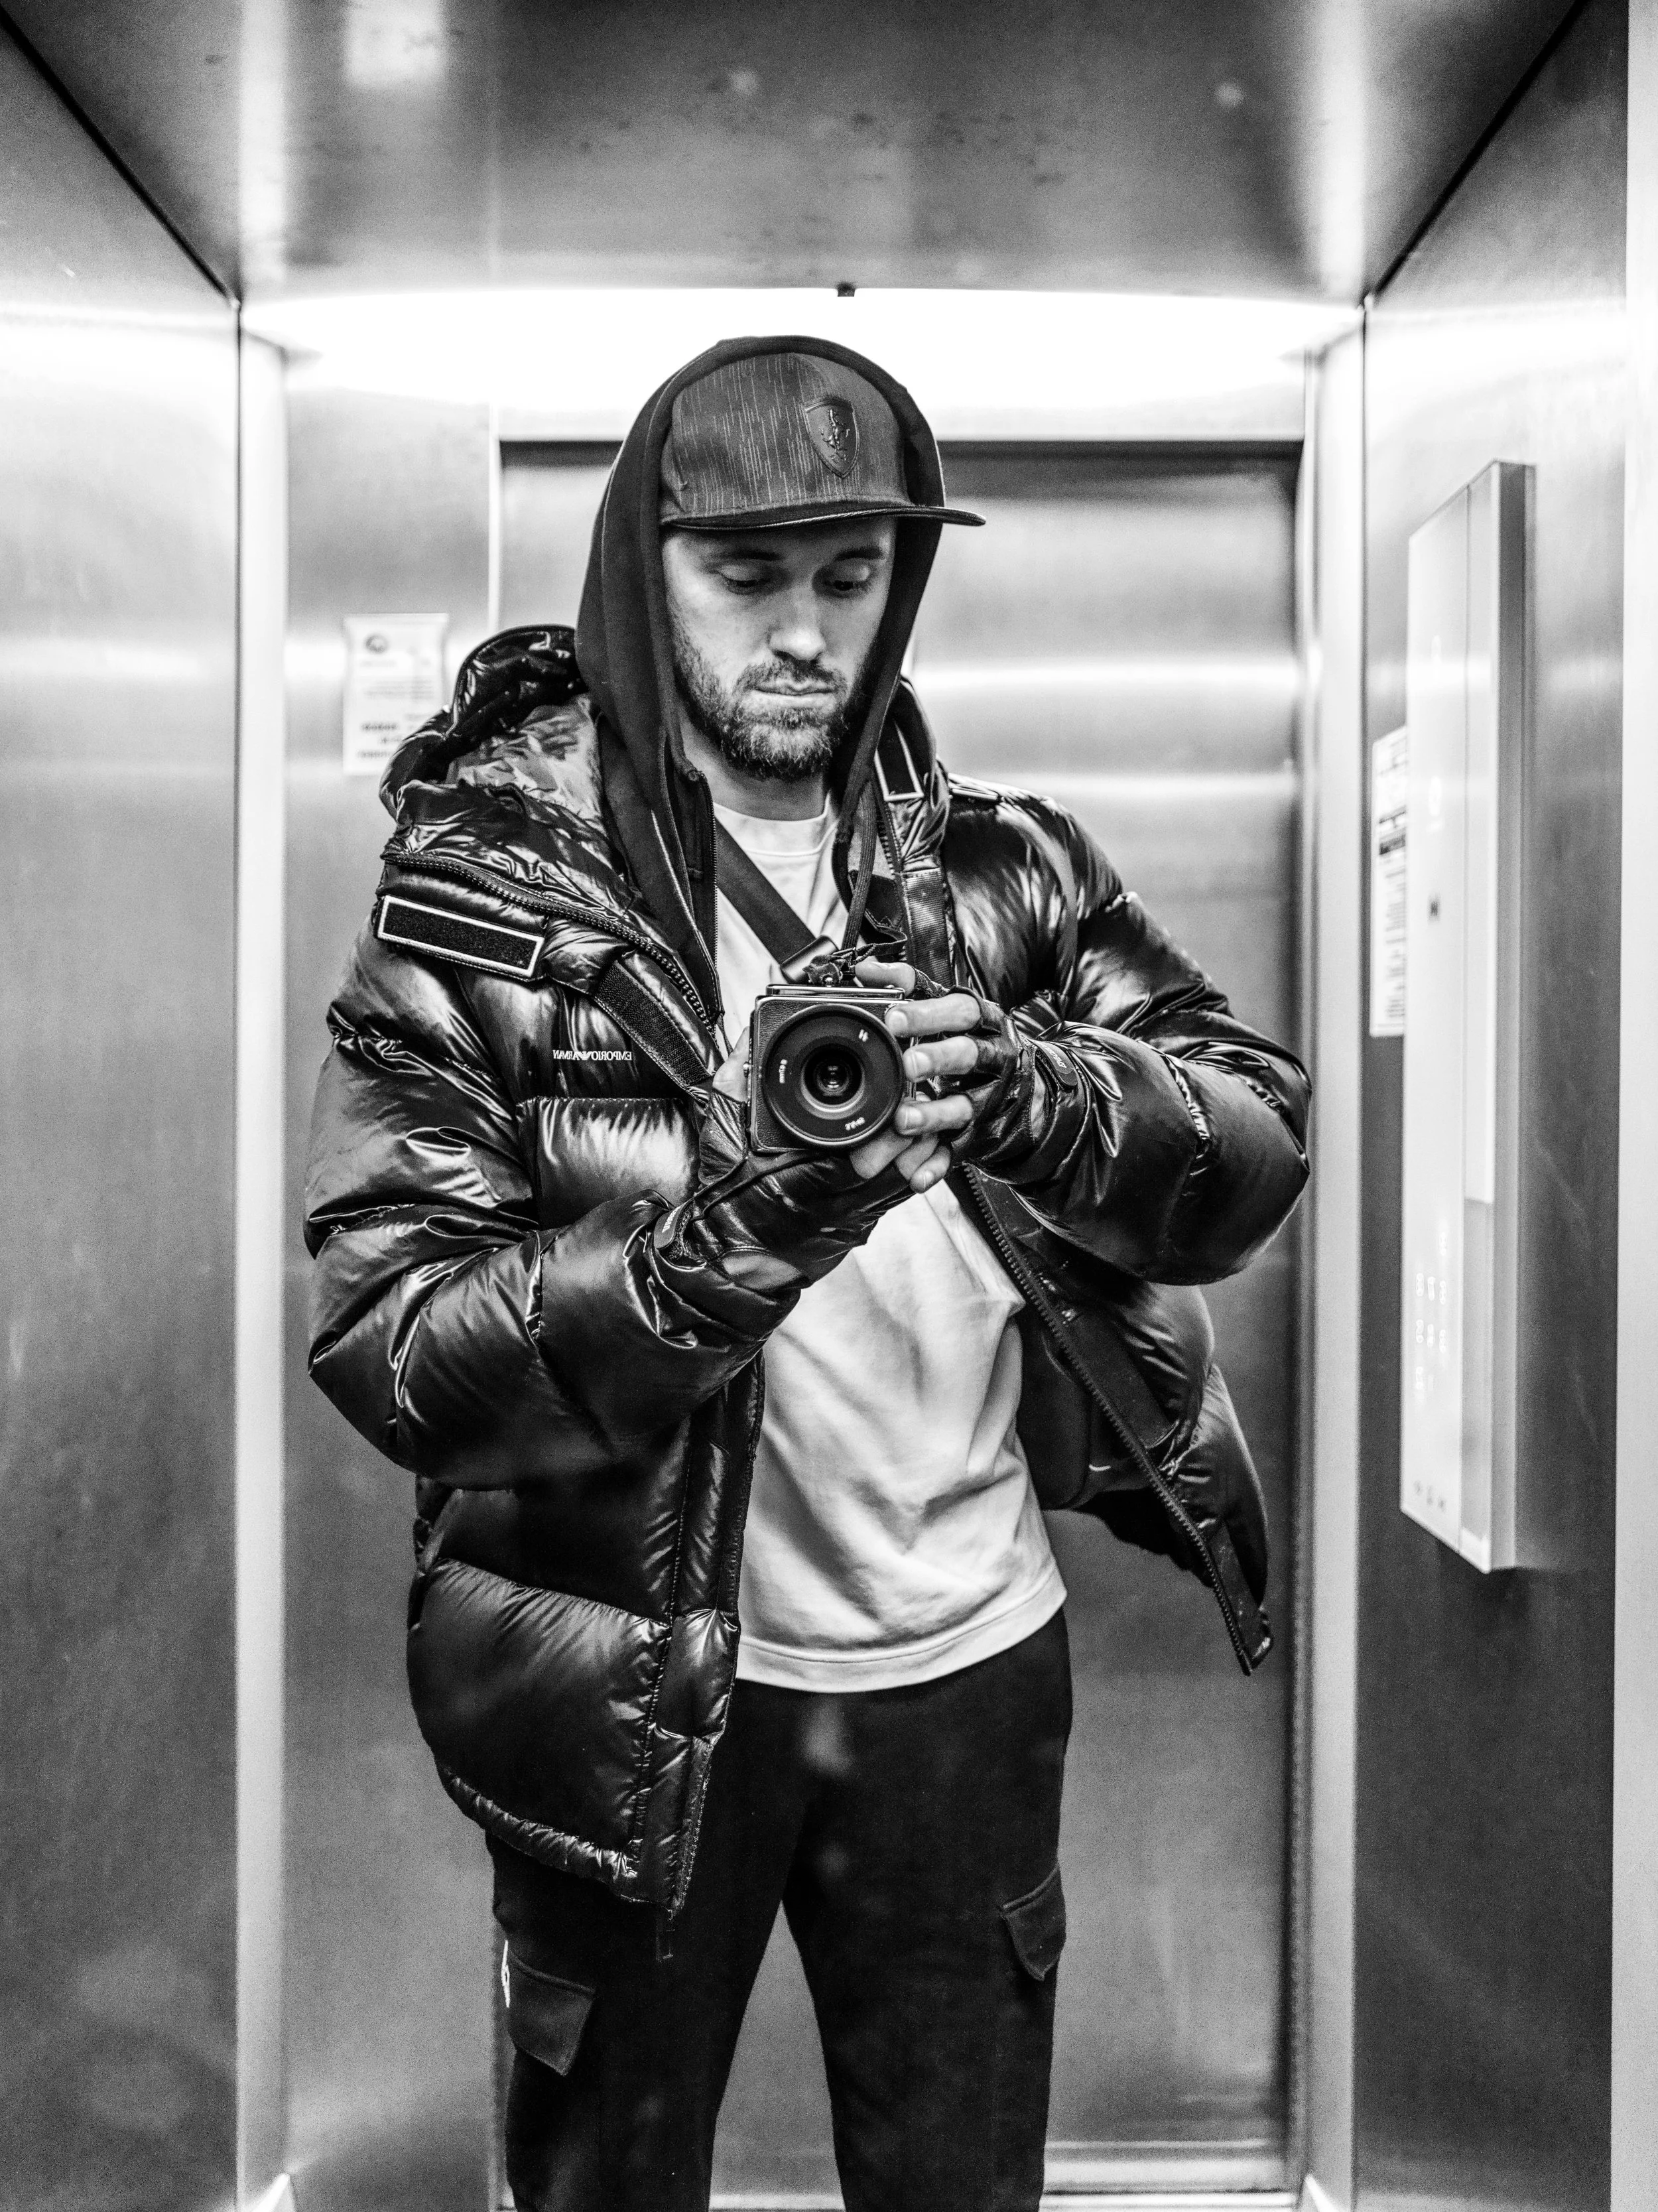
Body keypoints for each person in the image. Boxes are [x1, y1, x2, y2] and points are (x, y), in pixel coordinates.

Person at [303, 336, 1309, 2212]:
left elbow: (1248, 1149)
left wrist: (1033, 1095)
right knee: (608, 2180)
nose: (804, 634)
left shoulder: (1009, 875)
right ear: (641, 572)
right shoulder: (487, 905)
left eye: (850, 577)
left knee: (958, 2183)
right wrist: (729, 1235)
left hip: (968, 1672)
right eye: (744, 575)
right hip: (629, 1683)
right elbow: (394, 1343)